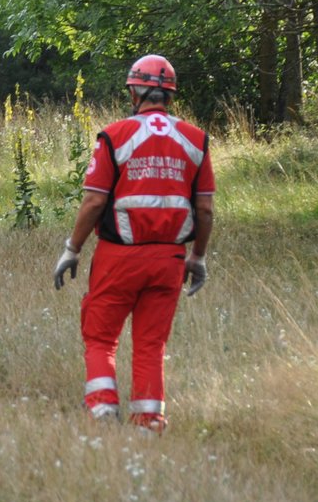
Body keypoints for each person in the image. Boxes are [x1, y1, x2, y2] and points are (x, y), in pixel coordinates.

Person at [52, 54, 215, 434]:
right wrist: (199, 258)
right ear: (169, 96)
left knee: (100, 335)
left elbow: (94, 201)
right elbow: (204, 209)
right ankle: (148, 422)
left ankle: (102, 408)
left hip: (118, 257)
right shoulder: (196, 140)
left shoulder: (115, 135)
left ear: (135, 91)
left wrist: (72, 249)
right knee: (151, 343)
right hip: (170, 260)